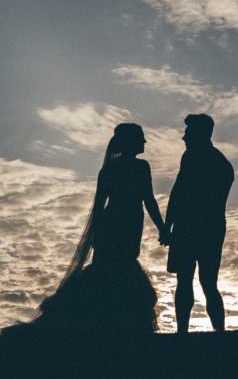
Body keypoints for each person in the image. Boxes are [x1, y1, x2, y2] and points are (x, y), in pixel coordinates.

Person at [32, 122, 168, 334]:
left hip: (115, 221)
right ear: (130, 141)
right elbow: (148, 200)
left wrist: (98, 232)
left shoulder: (109, 169)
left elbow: (100, 207)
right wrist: (162, 229)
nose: (144, 141)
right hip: (125, 222)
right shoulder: (140, 167)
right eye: (141, 137)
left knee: (109, 270)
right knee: (120, 269)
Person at [165, 113, 234, 333]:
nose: (183, 137)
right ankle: (196, 331)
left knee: (200, 282)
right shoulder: (213, 161)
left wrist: (169, 226)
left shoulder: (202, 159)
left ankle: (192, 332)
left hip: (197, 227)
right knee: (198, 281)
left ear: (200, 134)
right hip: (202, 226)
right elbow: (178, 193)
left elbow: (179, 194)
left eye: (188, 132)